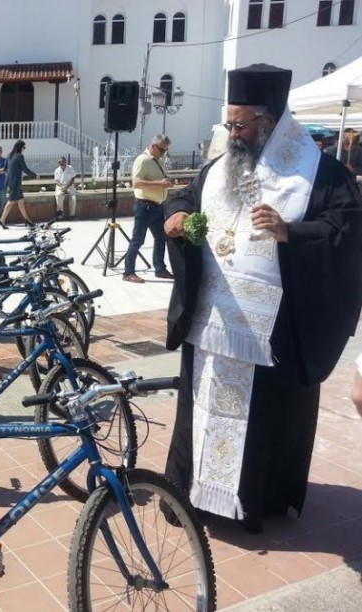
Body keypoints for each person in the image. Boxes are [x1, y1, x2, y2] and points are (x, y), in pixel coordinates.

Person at [162, 64, 362, 534]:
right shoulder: (220, 167)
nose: (231, 133)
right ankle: (194, 493)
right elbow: (183, 197)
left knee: (260, 424)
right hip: (210, 322)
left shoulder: (320, 174)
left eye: (239, 125)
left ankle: (252, 501)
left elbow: (347, 232)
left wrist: (291, 231)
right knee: (201, 410)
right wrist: (175, 217)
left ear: (268, 121)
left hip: (269, 334)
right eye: (228, 124)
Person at [122, 134, 175, 283]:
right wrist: (159, 183)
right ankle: (128, 272)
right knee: (138, 240)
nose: (164, 153)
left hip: (157, 206)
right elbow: (136, 182)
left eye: (166, 151)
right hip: (144, 206)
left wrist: (165, 182)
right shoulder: (143, 160)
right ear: (153, 146)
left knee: (161, 238)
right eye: (162, 150)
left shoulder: (157, 160)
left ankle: (160, 269)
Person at [0, 139, 37, 228]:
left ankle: (27, 219)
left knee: (20, 202)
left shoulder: (9, 155)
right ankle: (1, 220)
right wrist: (34, 175)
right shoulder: (19, 156)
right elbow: (25, 169)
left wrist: (12, 172)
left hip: (10, 181)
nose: (24, 149)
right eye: (24, 147)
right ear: (20, 147)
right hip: (15, 182)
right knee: (11, 201)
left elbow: (5, 169)